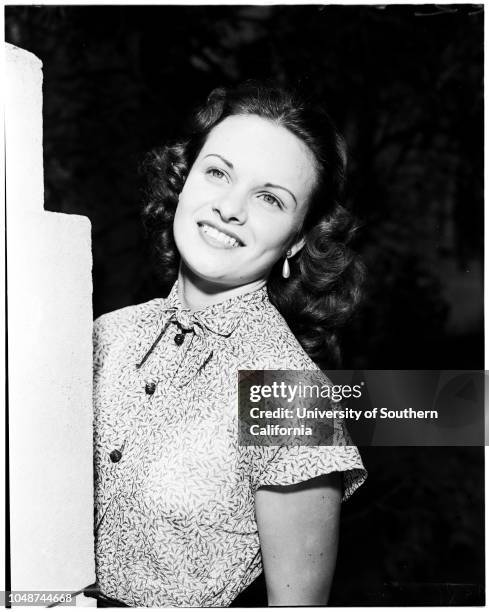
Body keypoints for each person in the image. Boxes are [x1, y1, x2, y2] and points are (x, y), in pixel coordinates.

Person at [92, 81, 367, 607]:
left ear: (299, 238)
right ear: (184, 179)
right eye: (218, 172)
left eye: (269, 198)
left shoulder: (290, 395)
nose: (230, 208)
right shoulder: (106, 334)